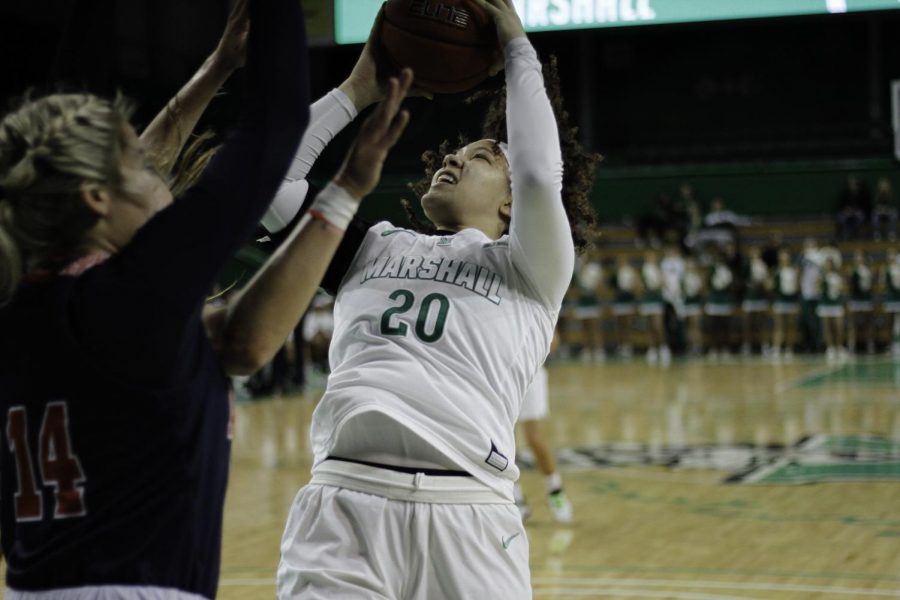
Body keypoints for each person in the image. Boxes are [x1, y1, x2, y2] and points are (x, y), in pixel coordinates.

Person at [273, 1, 599, 597]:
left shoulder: (531, 269)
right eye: (456, 151)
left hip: (470, 512)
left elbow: (535, 173)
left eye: (481, 157)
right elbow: (268, 188)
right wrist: (355, 91)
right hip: (345, 507)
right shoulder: (369, 247)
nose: (453, 157)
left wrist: (514, 44)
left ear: (511, 206)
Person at [0, 0, 313, 596]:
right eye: (139, 164)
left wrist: (220, 64)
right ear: (95, 198)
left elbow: (68, 130)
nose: (156, 169)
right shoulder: (133, 300)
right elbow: (275, 122)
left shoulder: (22, 301)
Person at [513, 355, 573, 523]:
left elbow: (554, 342)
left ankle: (555, 490)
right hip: (504, 371)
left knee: (535, 438)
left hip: (532, 373)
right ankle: (515, 497)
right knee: (506, 440)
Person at [740, 246, 771, 355]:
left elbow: (767, 282)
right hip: (749, 298)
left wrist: (763, 283)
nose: (755, 255)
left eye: (757, 253)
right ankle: (747, 345)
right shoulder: (746, 265)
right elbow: (742, 280)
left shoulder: (763, 266)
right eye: (753, 253)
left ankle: (765, 345)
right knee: (748, 323)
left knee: (762, 322)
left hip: (761, 298)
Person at [639, 249, 669, 364]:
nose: (650, 258)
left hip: (656, 300)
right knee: (650, 326)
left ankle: (663, 347)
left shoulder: (659, 270)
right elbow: (640, 287)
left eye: (651, 256)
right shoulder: (644, 270)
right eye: (647, 257)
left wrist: (659, 281)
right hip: (647, 300)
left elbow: (664, 284)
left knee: (658, 325)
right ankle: (652, 349)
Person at [771, 248, 801, 358]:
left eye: (786, 257)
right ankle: (776, 348)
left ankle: (789, 349)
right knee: (778, 326)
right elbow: (771, 286)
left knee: (791, 326)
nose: (784, 259)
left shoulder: (794, 270)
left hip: (791, 301)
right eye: (782, 257)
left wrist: (797, 278)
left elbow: (797, 287)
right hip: (780, 301)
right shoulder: (776, 271)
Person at [817, 257, 846, 361]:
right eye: (826, 264)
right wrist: (820, 284)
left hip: (836, 304)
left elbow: (843, 289)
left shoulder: (837, 276)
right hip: (825, 304)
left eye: (830, 264)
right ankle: (830, 348)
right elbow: (817, 289)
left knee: (839, 326)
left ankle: (839, 346)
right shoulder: (822, 277)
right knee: (826, 327)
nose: (828, 266)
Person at [847, 250, 875, 354]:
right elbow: (850, 286)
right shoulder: (852, 270)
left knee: (868, 323)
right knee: (853, 324)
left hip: (866, 299)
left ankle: (869, 344)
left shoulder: (868, 270)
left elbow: (870, 286)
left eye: (861, 257)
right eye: (857, 257)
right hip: (855, 299)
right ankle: (852, 345)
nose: (859, 259)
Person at [611, 255, 638, 357]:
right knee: (620, 324)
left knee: (627, 324)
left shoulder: (630, 272)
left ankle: (629, 345)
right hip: (619, 301)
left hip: (628, 300)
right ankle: (622, 345)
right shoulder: (617, 273)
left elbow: (634, 286)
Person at [880, 248, 900, 355]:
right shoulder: (885, 269)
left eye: (893, 254)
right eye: (889, 255)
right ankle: (890, 345)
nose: (891, 257)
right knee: (889, 322)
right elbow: (883, 285)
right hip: (890, 299)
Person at [871, 177, 897, 242]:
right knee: (875, 216)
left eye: (885, 186)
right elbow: (875, 205)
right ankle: (877, 234)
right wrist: (880, 209)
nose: (884, 187)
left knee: (894, 214)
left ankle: (892, 233)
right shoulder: (877, 194)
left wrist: (886, 209)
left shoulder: (891, 193)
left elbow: (893, 204)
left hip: (888, 211)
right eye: (882, 186)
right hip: (879, 212)